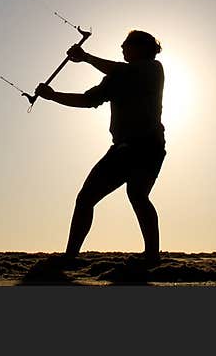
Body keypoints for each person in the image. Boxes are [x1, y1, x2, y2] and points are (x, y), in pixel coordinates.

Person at [35, 29, 166, 267]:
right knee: (96, 198)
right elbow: (89, 100)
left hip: (145, 146)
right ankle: (72, 255)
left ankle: (151, 255)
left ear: (141, 48)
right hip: (128, 147)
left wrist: (86, 58)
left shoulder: (151, 69)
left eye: (126, 44)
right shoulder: (116, 76)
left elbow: (121, 70)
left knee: (132, 195)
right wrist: (53, 96)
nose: (122, 48)